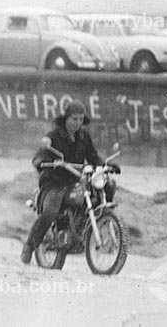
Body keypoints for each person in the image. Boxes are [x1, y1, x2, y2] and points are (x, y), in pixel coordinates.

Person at [20, 99, 120, 264]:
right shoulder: (53, 137)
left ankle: (95, 224)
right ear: (66, 118)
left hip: (75, 183)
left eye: (81, 119)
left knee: (103, 187)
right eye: (74, 119)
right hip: (54, 184)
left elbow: (93, 157)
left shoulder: (84, 136)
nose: (78, 123)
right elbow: (39, 157)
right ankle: (30, 246)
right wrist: (44, 162)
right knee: (51, 212)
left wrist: (106, 165)